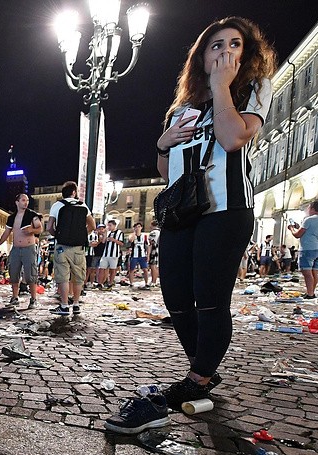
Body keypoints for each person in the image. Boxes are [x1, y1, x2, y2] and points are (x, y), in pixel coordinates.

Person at [143, 16, 276, 423]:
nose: (224, 52)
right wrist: (162, 143)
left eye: (234, 44)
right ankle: (202, 365)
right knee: (176, 299)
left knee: (210, 299)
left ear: (246, 54)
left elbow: (233, 138)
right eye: (216, 46)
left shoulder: (254, 89)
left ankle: (198, 378)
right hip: (181, 212)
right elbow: (168, 171)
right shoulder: (181, 109)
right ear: (201, 57)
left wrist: (221, 88)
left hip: (226, 209)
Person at [47, 181, 95, 316]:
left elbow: (49, 227)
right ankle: (76, 304)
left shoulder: (57, 205)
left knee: (63, 276)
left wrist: (58, 235)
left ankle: (64, 305)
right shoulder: (83, 205)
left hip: (62, 246)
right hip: (78, 247)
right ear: (74, 192)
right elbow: (92, 226)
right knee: (78, 276)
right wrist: (81, 234)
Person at [0, 193, 43, 308]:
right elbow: (6, 233)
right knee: (14, 273)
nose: (26, 202)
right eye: (23, 200)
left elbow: (40, 228)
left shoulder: (32, 215)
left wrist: (31, 230)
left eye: (27, 200)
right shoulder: (12, 217)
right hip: (16, 248)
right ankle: (15, 297)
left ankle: (33, 299)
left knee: (31, 274)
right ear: (17, 202)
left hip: (29, 248)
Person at [288, 201, 318, 299]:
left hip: (307, 248)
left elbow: (298, 235)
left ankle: (310, 294)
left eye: (308, 208)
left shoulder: (308, 220)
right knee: (314, 272)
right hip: (317, 249)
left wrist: (292, 228)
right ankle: (311, 292)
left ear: (312, 209)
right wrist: (298, 226)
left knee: (307, 272)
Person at [97, 220, 125, 290]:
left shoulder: (119, 232)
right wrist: (105, 235)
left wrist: (114, 240)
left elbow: (121, 243)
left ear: (114, 225)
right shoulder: (108, 232)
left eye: (110, 225)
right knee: (101, 268)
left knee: (112, 269)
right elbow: (103, 242)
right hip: (105, 254)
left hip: (114, 254)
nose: (109, 227)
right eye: (108, 225)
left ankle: (110, 283)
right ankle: (100, 283)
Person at [128, 223, 151, 289]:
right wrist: (134, 233)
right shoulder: (132, 235)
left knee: (145, 269)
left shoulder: (144, 236)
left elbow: (147, 246)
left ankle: (146, 283)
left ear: (141, 227)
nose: (137, 228)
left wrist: (148, 255)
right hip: (134, 255)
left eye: (139, 227)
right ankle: (131, 283)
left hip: (142, 255)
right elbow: (130, 240)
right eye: (136, 227)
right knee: (132, 269)